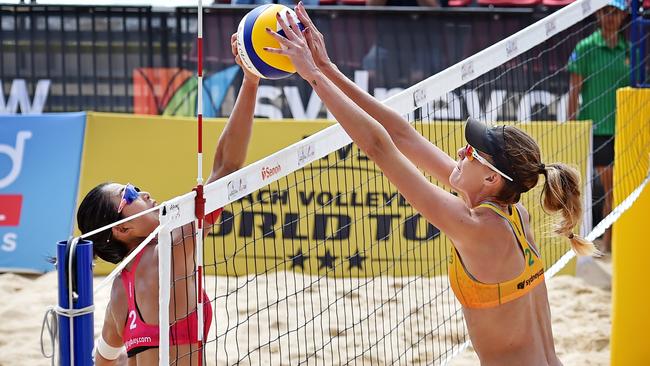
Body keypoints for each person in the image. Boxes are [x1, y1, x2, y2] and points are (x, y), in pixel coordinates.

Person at [266, 3, 598, 364]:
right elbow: (402, 135)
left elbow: (379, 147)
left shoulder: (476, 228)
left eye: (470, 152)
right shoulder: (512, 212)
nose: (459, 151)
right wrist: (328, 68)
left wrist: (313, 76)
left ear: (490, 177)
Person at [78, 32, 259, 365]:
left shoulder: (119, 291)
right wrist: (250, 81)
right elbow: (226, 166)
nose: (143, 192)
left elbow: (103, 360)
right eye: (129, 194)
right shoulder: (173, 248)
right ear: (121, 230)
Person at [567, 0, 630, 253]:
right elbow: (574, 89)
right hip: (598, 130)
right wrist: (571, 125)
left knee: (618, 192)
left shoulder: (630, 49)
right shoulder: (585, 47)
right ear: (597, 14)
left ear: (624, 15)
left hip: (627, 131)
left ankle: (611, 247)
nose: (611, 16)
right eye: (606, 11)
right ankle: (608, 248)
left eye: (615, 11)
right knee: (612, 191)